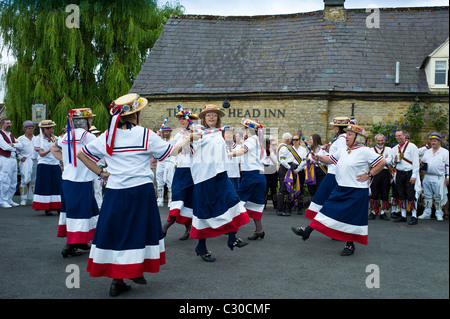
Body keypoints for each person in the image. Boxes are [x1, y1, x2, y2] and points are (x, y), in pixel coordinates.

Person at [77, 93, 190, 297]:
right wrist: (186, 139)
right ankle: (134, 271)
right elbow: (170, 153)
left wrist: (101, 173)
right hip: (140, 190)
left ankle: (117, 279)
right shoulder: (145, 134)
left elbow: (81, 154)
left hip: (114, 190)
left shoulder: (107, 136)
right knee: (139, 231)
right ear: (136, 114)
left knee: (117, 232)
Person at [292, 124, 386, 256]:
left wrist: (369, 174)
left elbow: (382, 162)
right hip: (341, 187)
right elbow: (330, 159)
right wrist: (318, 157)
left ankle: (349, 245)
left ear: (359, 138)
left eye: (350, 134)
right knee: (327, 210)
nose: (346, 136)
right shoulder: (344, 150)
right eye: (346, 133)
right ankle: (307, 231)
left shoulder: (365, 151)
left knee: (351, 218)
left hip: (357, 190)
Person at [189, 104, 249, 262]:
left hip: (220, 173)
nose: (211, 117)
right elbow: (193, 140)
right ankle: (201, 246)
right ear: (204, 117)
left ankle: (232, 237)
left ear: (218, 117)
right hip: (203, 176)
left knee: (232, 200)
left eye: (214, 114)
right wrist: (193, 132)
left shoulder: (219, 133)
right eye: (208, 114)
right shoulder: (199, 130)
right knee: (205, 211)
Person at [50, 108, 99, 258]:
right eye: (90, 119)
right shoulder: (88, 136)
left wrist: (65, 161)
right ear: (86, 121)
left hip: (68, 180)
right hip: (81, 180)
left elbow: (53, 148)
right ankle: (69, 246)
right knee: (80, 213)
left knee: (83, 210)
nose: (91, 122)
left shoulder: (66, 136)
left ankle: (81, 241)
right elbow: (102, 150)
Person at [228, 118, 267, 240]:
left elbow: (243, 151)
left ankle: (230, 229)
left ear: (247, 130)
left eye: (244, 128)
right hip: (259, 175)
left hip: (251, 175)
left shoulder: (251, 140)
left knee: (237, 201)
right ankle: (259, 230)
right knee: (255, 204)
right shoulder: (258, 141)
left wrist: (228, 154)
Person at [163, 110, 199, 240]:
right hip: (180, 170)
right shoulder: (178, 134)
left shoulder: (197, 133)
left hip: (193, 170)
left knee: (189, 199)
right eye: (181, 119)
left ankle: (188, 229)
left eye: (184, 119)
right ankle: (169, 222)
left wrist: (193, 135)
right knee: (178, 195)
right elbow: (171, 151)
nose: (182, 121)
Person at [305, 117, 349, 219]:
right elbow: (335, 155)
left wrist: (320, 158)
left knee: (320, 198)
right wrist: (328, 152)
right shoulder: (340, 139)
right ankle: (310, 228)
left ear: (338, 127)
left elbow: (341, 157)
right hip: (332, 171)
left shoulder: (341, 139)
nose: (333, 127)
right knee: (323, 198)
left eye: (334, 126)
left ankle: (314, 225)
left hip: (334, 173)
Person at [390, 129, 420, 225]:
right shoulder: (394, 148)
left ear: (404, 136)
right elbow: (391, 162)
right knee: (401, 195)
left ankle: (414, 216)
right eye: (396, 136)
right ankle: (403, 215)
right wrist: (394, 161)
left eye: (400, 135)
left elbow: (416, 162)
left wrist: (414, 175)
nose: (398, 137)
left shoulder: (412, 147)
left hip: (409, 173)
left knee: (411, 195)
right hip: (399, 173)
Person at [32, 120, 62, 215]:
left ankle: (58, 206)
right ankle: (46, 207)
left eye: (51, 128)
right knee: (46, 186)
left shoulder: (55, 138)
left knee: (57, 185)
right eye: (47, 128)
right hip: (44, 164)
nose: (50, 130)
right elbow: (41, 154)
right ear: (43, 129)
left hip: (55, 164)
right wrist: (50, 149)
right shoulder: (38, 139)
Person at [418, 133, 449, 221]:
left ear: (439, 141)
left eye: (435, 141)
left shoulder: (445, 152)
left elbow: (448, 166)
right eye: (432, 141)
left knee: (438, 196)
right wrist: (422, 165)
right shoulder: (427, 152)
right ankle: (427, 212)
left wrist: (448, 177)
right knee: (427, 195)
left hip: (438, 177)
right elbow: (422, 162)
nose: (433, 142)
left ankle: (439, 213)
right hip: (427, 176)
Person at [0, 118, 23, 208]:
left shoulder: (11, 135)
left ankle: (9, 199)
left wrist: (12, 144)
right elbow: (5, 147)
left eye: (10, 123)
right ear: (2, 124)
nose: (9, 125)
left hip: (13, 159)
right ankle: (2, 200)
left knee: (13, 181)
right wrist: (14, 146)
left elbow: (21, 146)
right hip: (5, 159)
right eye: (7, 123)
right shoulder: (0, 134)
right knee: (4, 179)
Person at [368, 134, 392, 220]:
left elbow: (389, 161)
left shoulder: (389, 149)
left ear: (384, 141)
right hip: (375, 172)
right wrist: (383, 159)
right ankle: (373, 212)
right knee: (374, 193)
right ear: (375, 141)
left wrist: (377, 160)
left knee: (385, 193)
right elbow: (370, 162)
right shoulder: (371, 150)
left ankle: (383, 212)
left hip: (385, 172)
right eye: (378, 141)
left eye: (382, 140)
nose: (380, 142)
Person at [17, 121, 38, 206]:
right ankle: (23, 198)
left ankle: (32, 197)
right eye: (29, 128)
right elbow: (16, 150)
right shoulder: (20, 139)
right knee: (24, 180)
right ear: (25, 129)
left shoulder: (36, 138)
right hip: (25, 161)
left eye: (32, 128)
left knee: (34, 180)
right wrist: (20, 157)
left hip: (35, 160)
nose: (31, 130)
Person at [156, 126, 176, 207]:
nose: (166, 133)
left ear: (170, 132)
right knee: (159, 181)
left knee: (170, 181)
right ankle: (160, 200)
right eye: (165, 132)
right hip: (161, 162)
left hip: (169, 162)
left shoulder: (173, 141)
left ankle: (170, 200)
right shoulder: (161, 141)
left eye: (167, 131)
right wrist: (158, 137)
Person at [276, 132, 293, 216]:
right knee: (283, 188)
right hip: (285, 169)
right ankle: (280, 209)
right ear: (288, 139)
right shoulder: (284, 148)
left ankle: (282, 208)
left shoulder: (281, 147)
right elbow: (282, 160)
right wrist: (289, 167)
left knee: (284, 188)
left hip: (284, 168)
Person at [291, 134, 307, 214]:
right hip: (291, 169)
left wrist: (297, 170)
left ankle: (300, 207)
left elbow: (304, 161)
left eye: (296, 139)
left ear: (299, 140)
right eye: (293, 139)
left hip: (299, 171)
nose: (295, 141)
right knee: (291, 188)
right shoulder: (290, 149)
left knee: (300, 189)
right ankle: (291, 205)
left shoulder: (303, 150)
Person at [262, 138, 278, 209]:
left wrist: (271, 153)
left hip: (272, 169)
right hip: (265, 169)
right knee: (265, 188)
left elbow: (276, 161)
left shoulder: (274, 151)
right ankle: (263, 204)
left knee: (273, 188)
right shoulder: (262, 151)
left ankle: (275, 203)